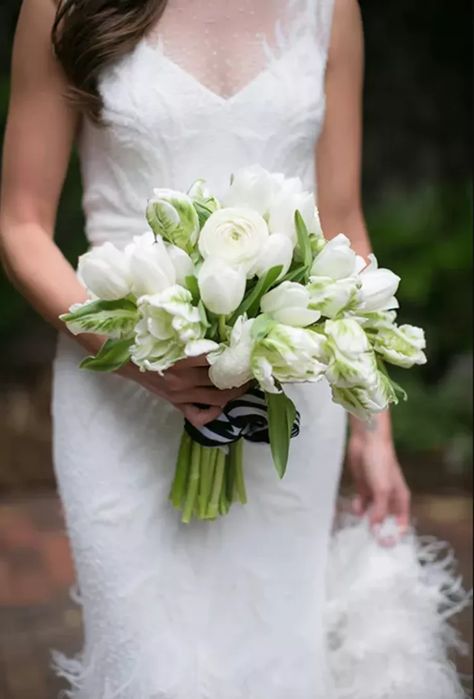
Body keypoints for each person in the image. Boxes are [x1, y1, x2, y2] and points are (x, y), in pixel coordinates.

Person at [0, 1, 468, 697]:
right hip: (119, 395)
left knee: (277, 658)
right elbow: (20, 222)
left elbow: (340, 223)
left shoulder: (330, 9)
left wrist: (375, 427)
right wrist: (131, 353)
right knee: (147, 668)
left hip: (291, 388)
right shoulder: (64, 5)